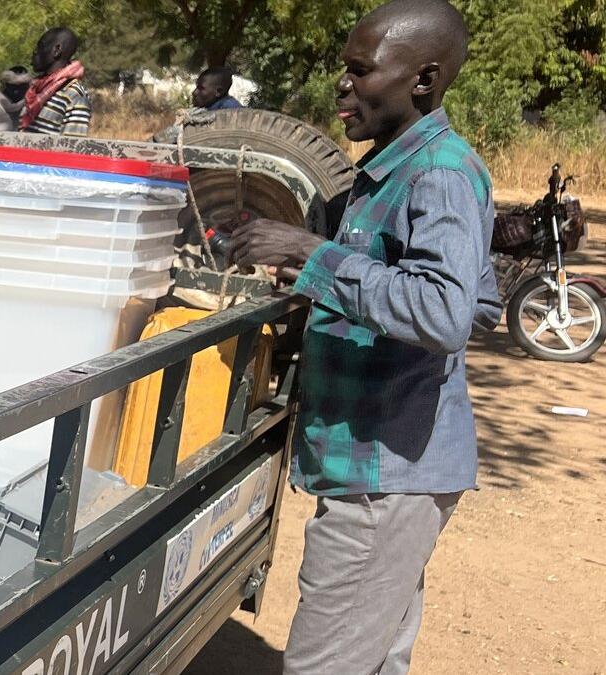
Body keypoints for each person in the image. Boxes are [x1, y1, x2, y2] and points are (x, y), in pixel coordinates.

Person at [226, 1, 500, 673]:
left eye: (360, 70)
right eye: (341, 69)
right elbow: (481, 301)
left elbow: (444, 312)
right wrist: (324, 281)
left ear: (425, 80)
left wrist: (318, 258)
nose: (342, 86)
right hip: (391, 469)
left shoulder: (435, 173)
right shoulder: (386, 172)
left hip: (384, 480)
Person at [19, 28, 91, 137]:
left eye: (40, 47)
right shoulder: (36, 88)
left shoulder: (75, 96)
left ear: (57, 50)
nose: (34, 52)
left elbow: (71, 147)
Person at [151, 66, 244, 144]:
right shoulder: (208, 108)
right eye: (196, 87)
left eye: (201, 88)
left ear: (218, 91)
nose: (194, 92)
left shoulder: (230, 109)